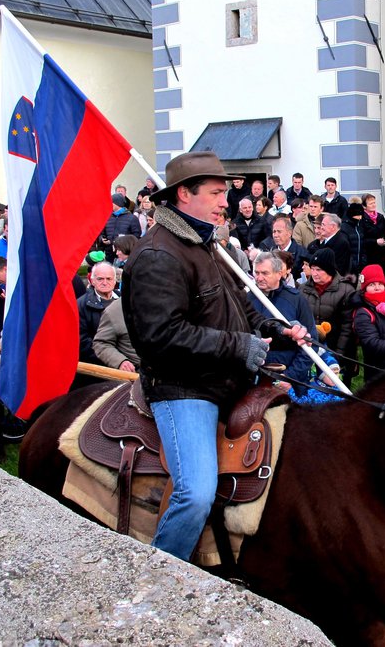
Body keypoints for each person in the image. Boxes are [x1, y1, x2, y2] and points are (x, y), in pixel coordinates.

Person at [122, 151, 306, 562]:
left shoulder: (205, 242)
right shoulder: (159, 255)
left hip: (225, 378)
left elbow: (239, 307)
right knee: (195, 492)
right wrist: (239, 347)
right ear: (184, 194)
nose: (226, 201)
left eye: (226, 192)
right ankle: (160, 576)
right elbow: (161, 337)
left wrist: (278, 330)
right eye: (217, 192)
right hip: (183, 388)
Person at [248, 252, 316, 394]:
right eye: (257, 272)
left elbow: (311, 342)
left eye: (265, 273)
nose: (259, 278)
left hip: (289, 376)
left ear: (279, 274)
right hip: (254, 376)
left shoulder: (296, 299)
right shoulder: (247, 299)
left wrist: (290, 377)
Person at [299, 248, 356, 380]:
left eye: (319, 270)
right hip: (308, 348)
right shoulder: (302, 289)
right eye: (312, 268)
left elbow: (347, 328)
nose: (314, 273)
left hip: (335, 348)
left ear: (329, 270)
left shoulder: (346, 290)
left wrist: (338, 355)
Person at [350, 264, 385, 381]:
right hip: (378, 372)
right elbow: (372, 344)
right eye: (371, 285)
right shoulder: (363, 313)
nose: (377, 288)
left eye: (380, 284)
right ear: (364, 287)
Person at [77, 261, 119, 366]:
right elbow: (82, 341)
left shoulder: (126, 300)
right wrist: (112, 358)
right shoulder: (81, 305)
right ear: (92, 281)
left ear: (115, 281)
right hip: (99, 364)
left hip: (128, 361)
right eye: (100, 279)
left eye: (109, 279)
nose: (105, 282)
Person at [93, 299, 140, 373]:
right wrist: (120, 361)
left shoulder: (161, 303)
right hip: (136, 374)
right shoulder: (114, 311)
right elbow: (101, 343)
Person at [259, 215, 309, 281]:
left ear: (289, 233)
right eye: (274, 232)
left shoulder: (302, 254)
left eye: (279, 231)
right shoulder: (268, 251)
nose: (275, 235)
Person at [101, 192, 141, 262]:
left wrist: (126, 246)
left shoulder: (132, 218)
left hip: (124, 254)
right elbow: (102, 232)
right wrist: (102, 239)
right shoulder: (107, 217)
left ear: (117, 203)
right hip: (109, 253)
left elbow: (136, 235)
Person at [359, 193, 385, 269]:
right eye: (370, 203)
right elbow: (361, 238)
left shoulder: (380, 217)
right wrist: (375, 241)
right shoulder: (361, 219)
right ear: (364, 206)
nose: (373, 205)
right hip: (368, 254)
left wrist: (384, 239)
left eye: (374, 203)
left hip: (381, 251)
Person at [340, 203, 367, 276]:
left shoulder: (359, 227)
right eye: (357, 215)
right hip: (347, 268)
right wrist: (351, 264)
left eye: (361, 215)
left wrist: (363, 261)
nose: (360, 218)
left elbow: (362, 246)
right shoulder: (344, 228)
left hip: (359, 266)